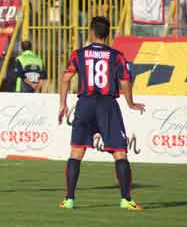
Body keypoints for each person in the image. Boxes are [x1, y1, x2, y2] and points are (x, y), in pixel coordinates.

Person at [58, 16, 145, 210]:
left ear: (91, 32)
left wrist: (62, 104)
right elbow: (124, 82)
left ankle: (69, 200)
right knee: (120, 153)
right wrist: (130, 103)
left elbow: (65, 79)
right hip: (107, 105)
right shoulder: (117, 56)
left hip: (85, 104)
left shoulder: (79, 54)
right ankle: (126, 200)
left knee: (76, 152)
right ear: (108, 33)